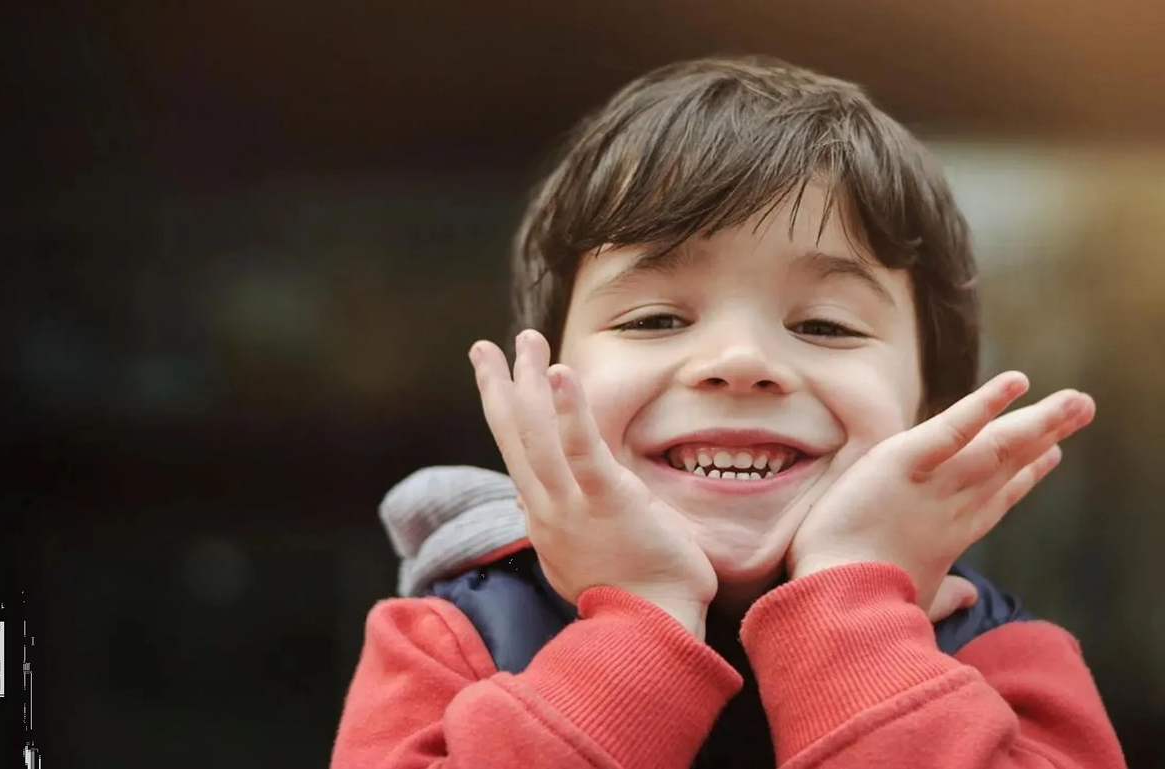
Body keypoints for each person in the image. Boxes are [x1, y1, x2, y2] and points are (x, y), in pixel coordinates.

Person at [330, 56, 1125, 768]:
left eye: (825, 325)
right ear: (541, 388)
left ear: (932, 409)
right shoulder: (443, 643)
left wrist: (848, 606)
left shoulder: (1009, 662)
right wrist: (643, 618)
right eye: (654, 319)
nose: (741, 361)